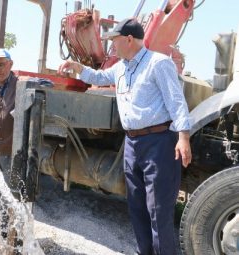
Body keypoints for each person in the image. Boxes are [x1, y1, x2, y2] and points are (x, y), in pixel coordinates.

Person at [58, 18, 192, 255]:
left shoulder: (158, 63)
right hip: (132, 143)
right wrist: (78, 68)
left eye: (114, 41)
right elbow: (99, 78)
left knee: (158, 210)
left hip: (159, 143)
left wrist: (183, 136)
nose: (112, 46)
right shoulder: (121, 67)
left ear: (129, 39)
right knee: (137, 207)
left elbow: (176, 101)